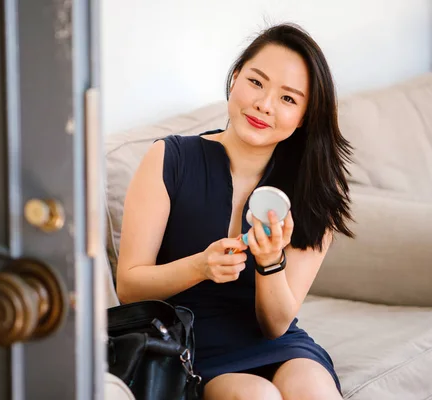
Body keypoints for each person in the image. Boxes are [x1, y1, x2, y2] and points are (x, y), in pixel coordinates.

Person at [115, 23, 354, 400]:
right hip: (188, 343)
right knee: (257, 396)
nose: (264, 105)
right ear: (235, 78)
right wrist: (201, 266)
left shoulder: (314, 190)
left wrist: (270, 261)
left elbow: (276, 325)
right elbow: (128, 286)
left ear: (305, 116)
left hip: (276, 343)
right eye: (257, 82)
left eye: (288, 99)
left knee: (315, 391)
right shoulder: (169, 159)